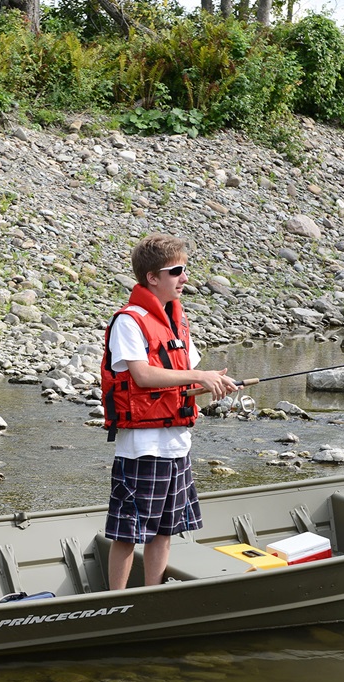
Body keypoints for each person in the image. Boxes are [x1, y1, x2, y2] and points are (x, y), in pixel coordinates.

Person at [100, 234, 238, 590]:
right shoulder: (129, 321)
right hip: (142, 448)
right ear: (152, 278)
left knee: (164, 531)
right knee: (128, 532)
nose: (184, 278)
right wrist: (199, 376)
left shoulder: (178, 320)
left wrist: (212, 383)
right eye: (176, 271)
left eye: (184, 270)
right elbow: (143, 376)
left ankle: (152, 595)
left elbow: (181, 380)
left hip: (177, 445)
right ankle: (115, 601)